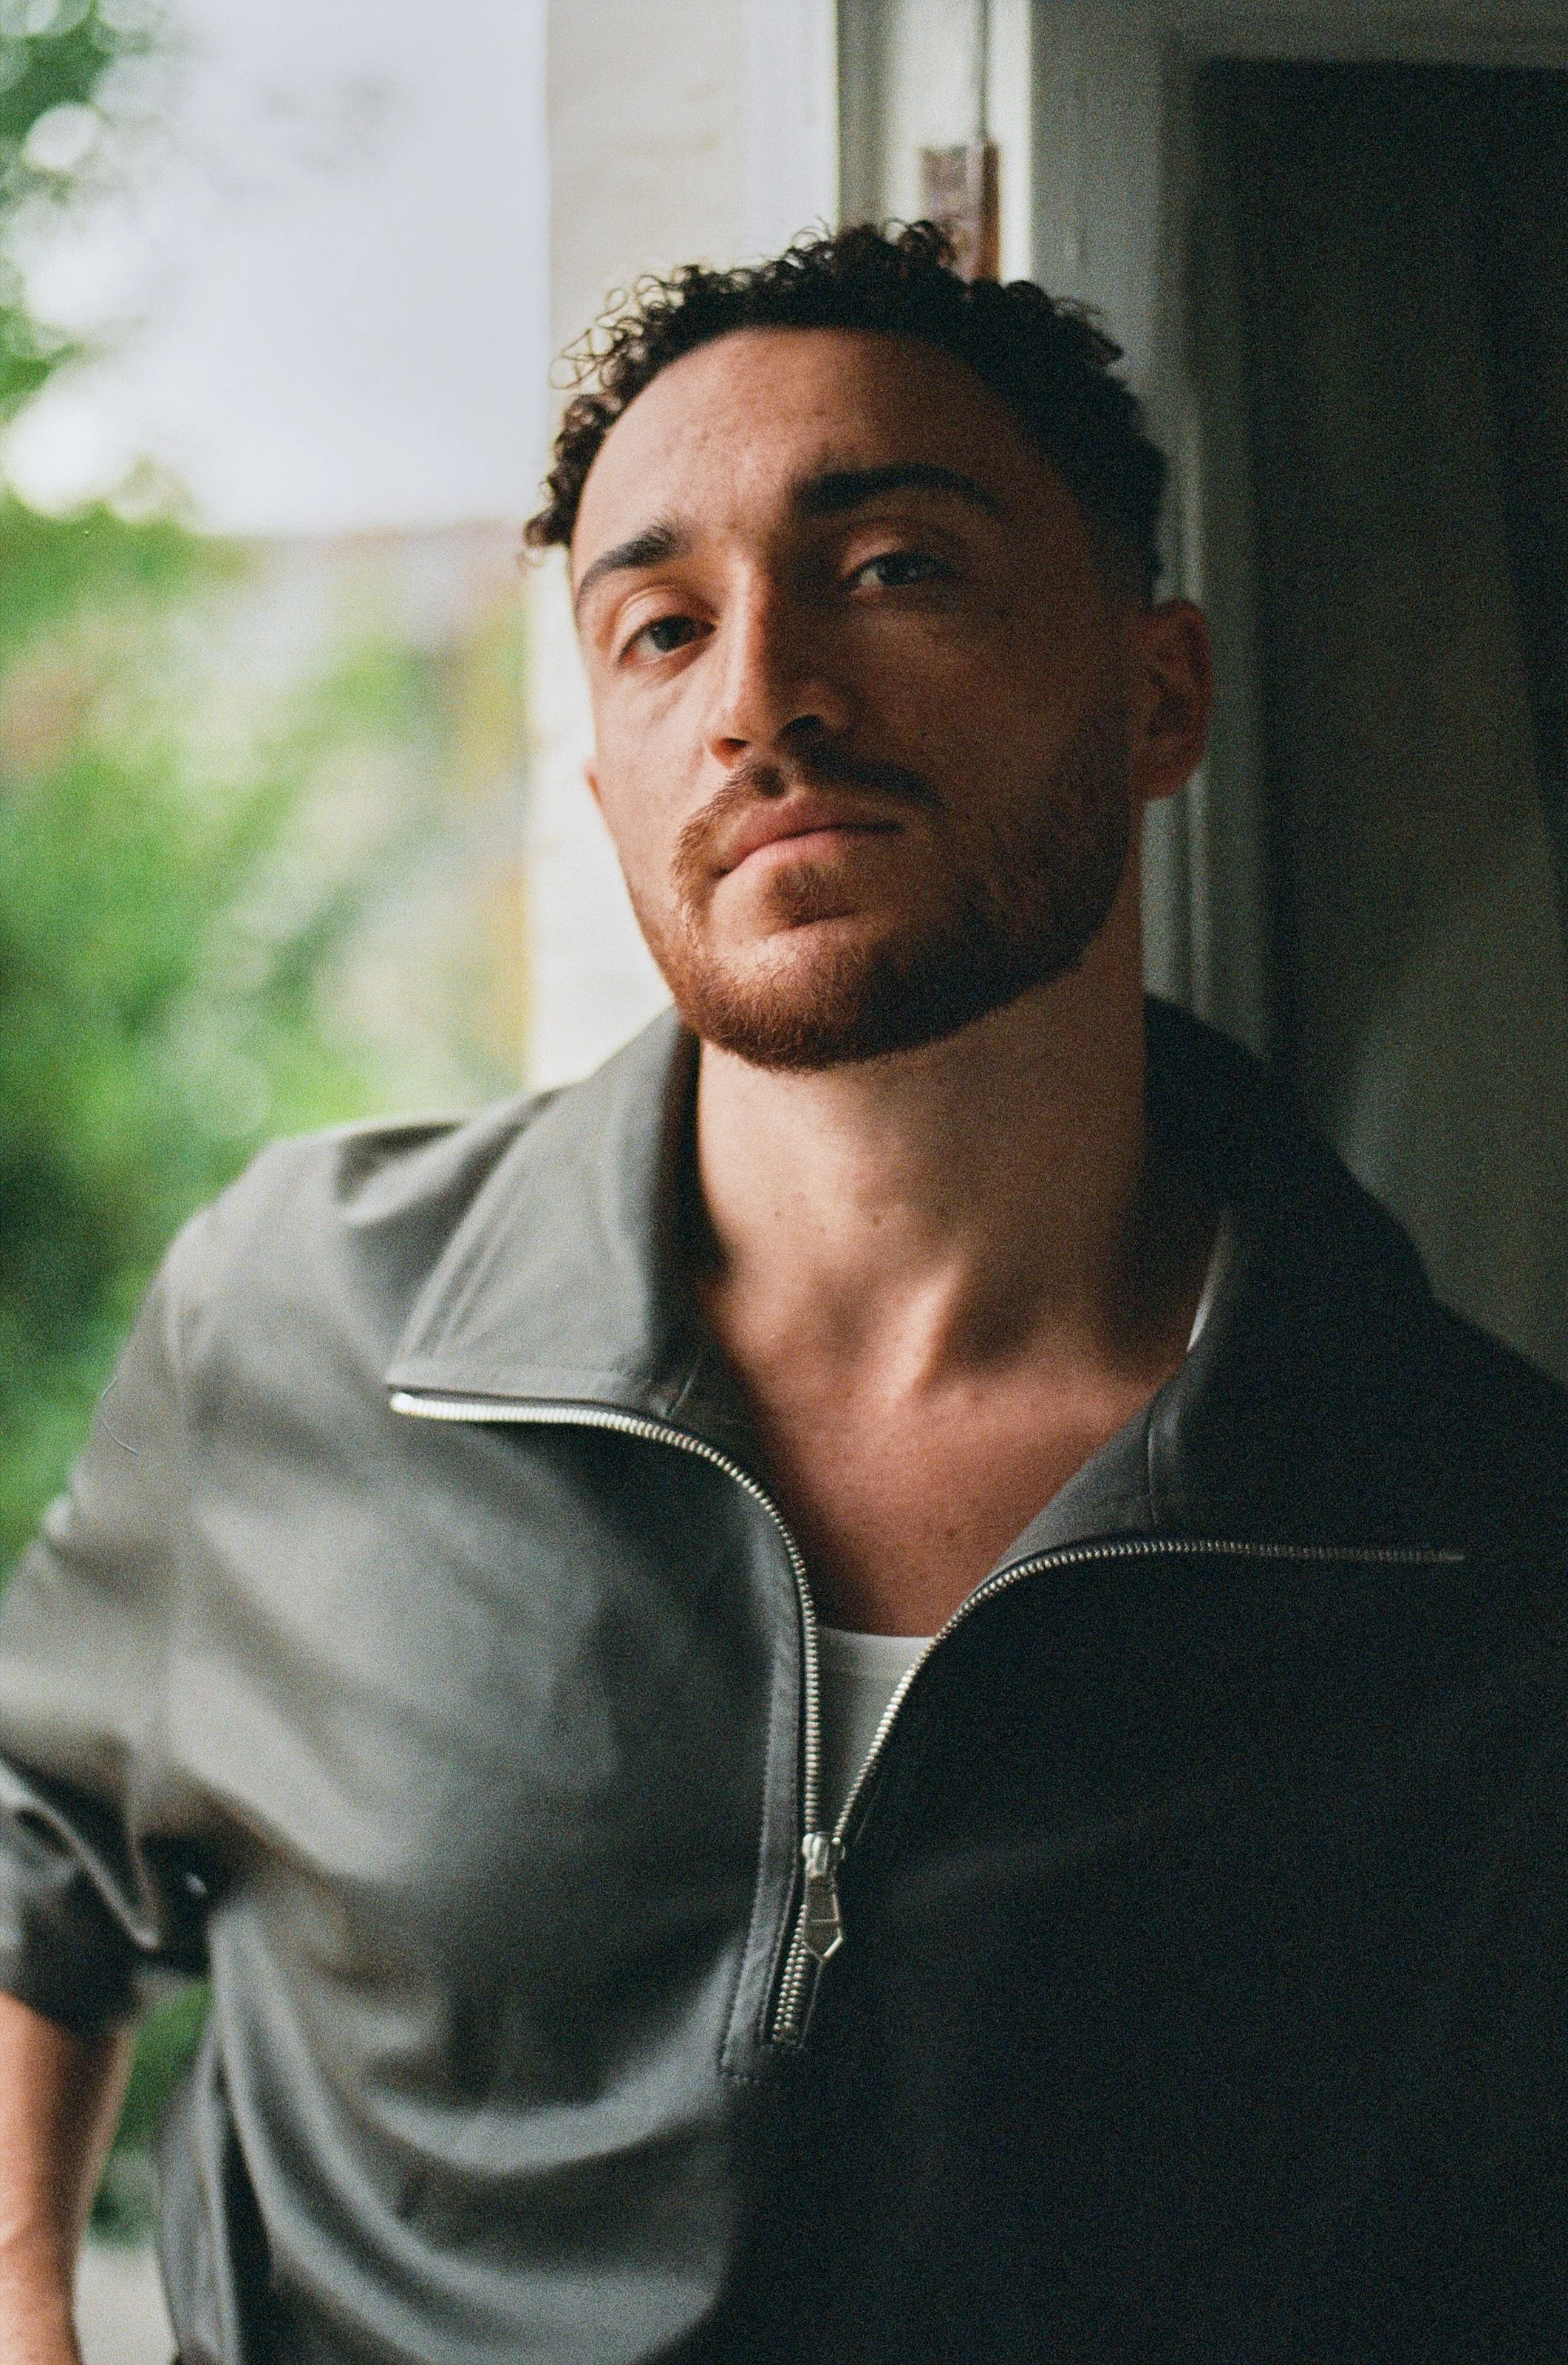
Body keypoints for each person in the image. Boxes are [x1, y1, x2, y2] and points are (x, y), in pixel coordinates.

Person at [0, 222, 1565, 2365]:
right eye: (658, 630)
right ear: (608, 780)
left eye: (895, 566)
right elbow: (36, 1835)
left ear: (1159, 695)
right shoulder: (302, 1319)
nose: (758, 701)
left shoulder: (1468, 1536)